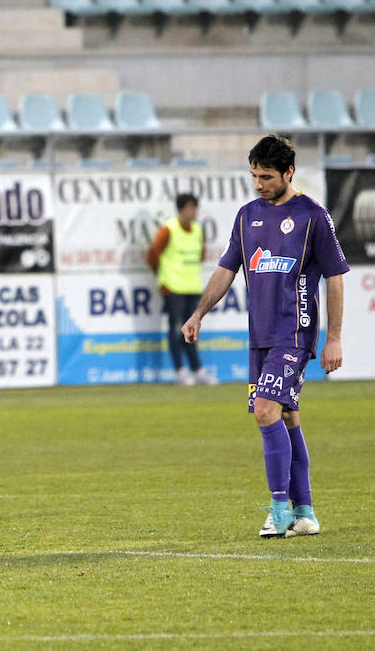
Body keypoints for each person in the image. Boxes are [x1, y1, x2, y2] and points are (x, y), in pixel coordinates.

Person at [181, 136, 348, 538]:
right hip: (260, 335)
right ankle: (305, 513)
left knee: (265, 410)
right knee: (287, 416)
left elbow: (335, 277)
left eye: (267, 176)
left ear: (288, 172)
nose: (259, 184)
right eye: (254, 176)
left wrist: (334, 338)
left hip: (294, 332)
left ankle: (279, 510)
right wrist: (198, 313)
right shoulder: (247, 215)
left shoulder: (312, 215)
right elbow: (226, 269)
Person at [146, 193, 217, 386]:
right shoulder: (168, 230)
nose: (194, 212)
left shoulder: (197, 230)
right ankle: (180, 370)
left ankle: (197, 369)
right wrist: (163, 279)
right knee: (176, 330)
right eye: (190, 208)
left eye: (196, 208)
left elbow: (201, 255)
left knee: (192, 330)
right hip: (173, 287)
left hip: (192, 286)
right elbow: (152, 255)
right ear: (181, 210)